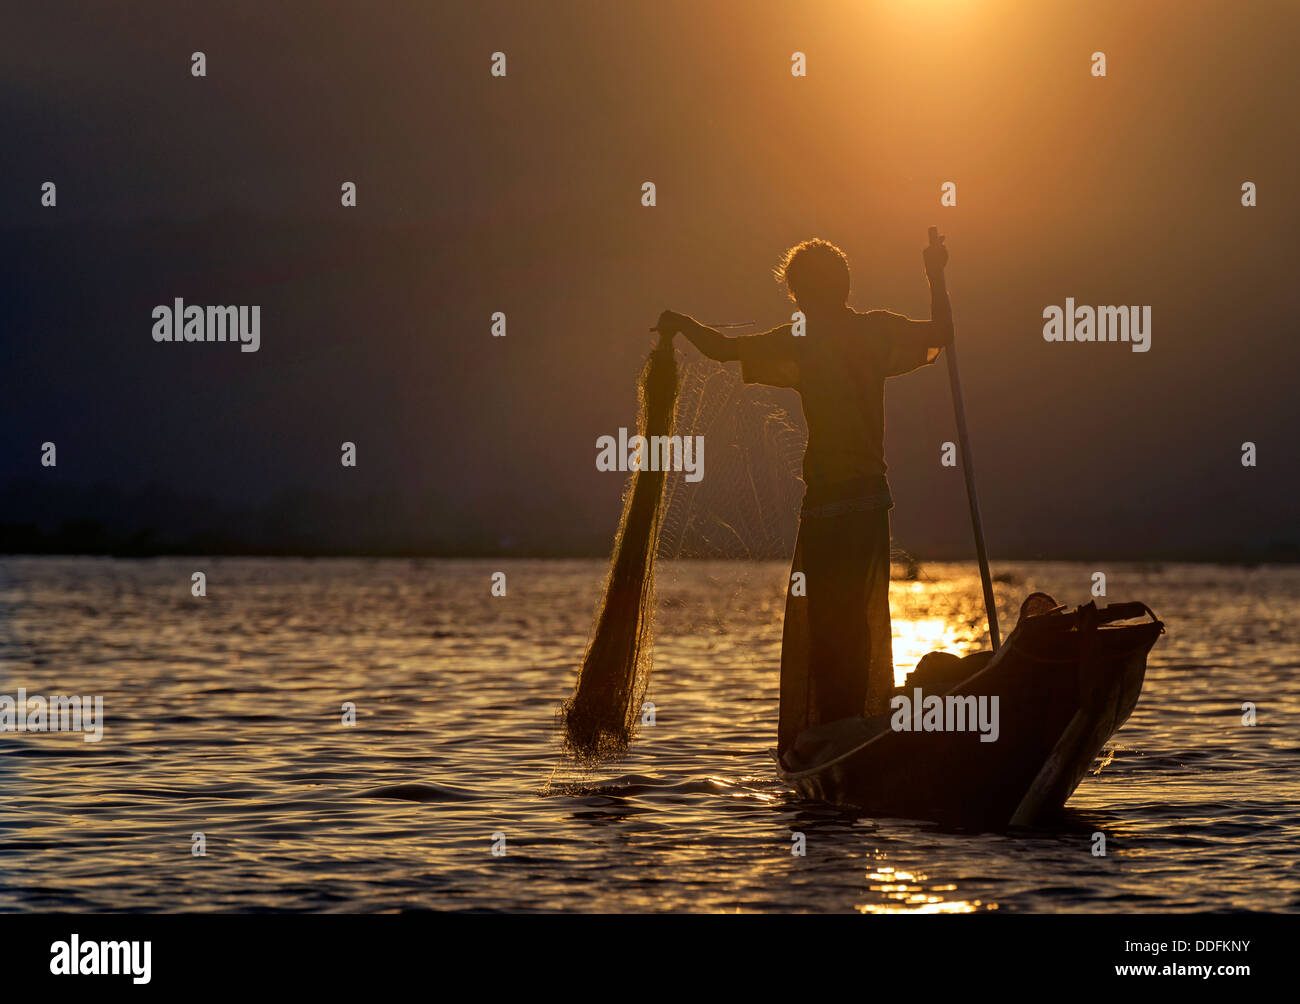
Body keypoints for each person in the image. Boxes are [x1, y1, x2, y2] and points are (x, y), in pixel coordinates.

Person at [655, 234, 953, 758]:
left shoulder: (802, 336)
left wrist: (681, 324)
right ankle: (849, 723)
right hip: (867, 499)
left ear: (797, 293)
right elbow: (941, 334)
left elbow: (723, 349)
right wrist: (936, 273)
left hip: (829, 502)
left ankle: (836, 727)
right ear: (843, 285)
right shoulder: (872, 331)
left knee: (827, 617)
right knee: (853, 615)